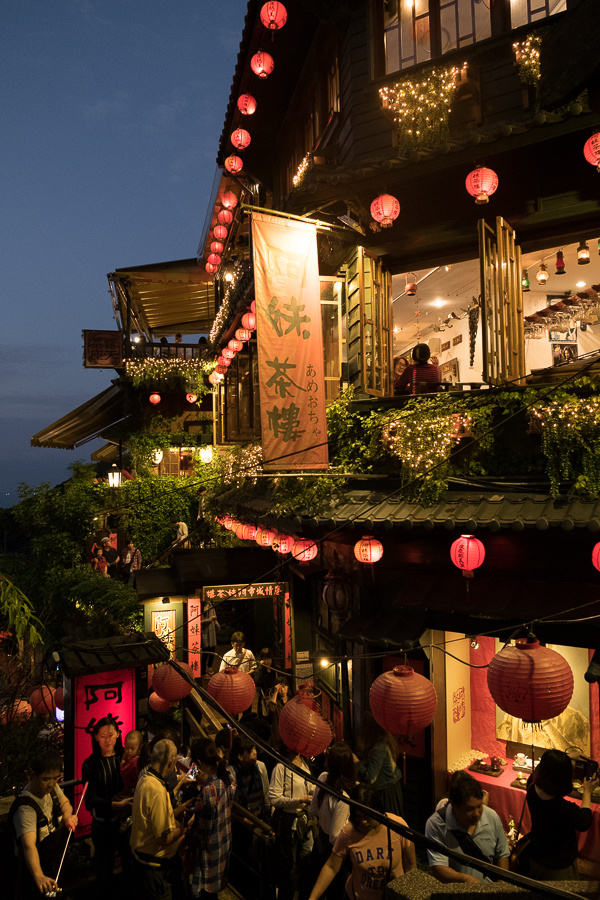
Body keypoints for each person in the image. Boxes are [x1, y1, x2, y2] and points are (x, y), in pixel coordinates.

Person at [308, 783, 416, 900]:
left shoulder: (397, 826)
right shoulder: (349, 833)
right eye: (358, 817)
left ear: (378, 809)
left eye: (366, 816)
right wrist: (313, 898)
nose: (363, 822)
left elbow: (410, 865)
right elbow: (331, 867)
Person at [9, 749, 78, 899]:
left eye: (56, 778)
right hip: (35, 868)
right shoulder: (26, 808)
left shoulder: (53, 788)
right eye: (46, 779)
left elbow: (65, 802)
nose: (51, 784)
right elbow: (29, 845)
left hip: (53, 860)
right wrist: (39, 876)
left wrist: (68, 816)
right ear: (33, 776)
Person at [130, 739, 190, 900]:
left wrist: (182, 808)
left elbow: (156, 817)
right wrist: (183, 828)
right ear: (170, 760)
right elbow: (163, 838)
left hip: (142, 863)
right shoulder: (156, 789)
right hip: (154, 869)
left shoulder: (146, 778)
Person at [425, 770, 510, 883]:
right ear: (454, 805)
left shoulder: (491, 816)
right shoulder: (436, 824)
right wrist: (465, 879)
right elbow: (438, 867)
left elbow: (502, 855)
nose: (477, 813)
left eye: (479, 806)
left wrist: (501, 885)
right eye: (469, 809)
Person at [82, 717, 133, 900]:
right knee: (104, 871)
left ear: (118, 734)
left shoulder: (125, 759)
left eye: (111, 735)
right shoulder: (90, 764)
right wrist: (114, 805)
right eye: (102, 736)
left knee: (129, 866)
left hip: (125, 822)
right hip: (102, 823)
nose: (107, 739)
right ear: (95, 737)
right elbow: (90, 797)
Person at [526, 749, 597, 880]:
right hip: (559, 868)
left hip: (536, 857)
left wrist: (565, 757)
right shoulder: (564, 809)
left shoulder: (531, 789)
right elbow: (585, 822)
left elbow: (540, 769)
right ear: (564, 779)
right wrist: (587, 791)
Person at [188, 737, 236, 899]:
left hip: (210, 849)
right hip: (224, 843)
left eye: (195, 763)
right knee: (214, 892)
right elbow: (191, 776)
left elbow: (204, 831)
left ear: (200, 762)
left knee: (206, 892)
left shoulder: (209, 789)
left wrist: (188, 831)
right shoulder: (226, 777)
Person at [269, 746, 314, 900]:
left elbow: (311, 786)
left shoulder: (305, 762)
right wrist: (300, 800)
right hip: (289, 824)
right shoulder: (281, 766)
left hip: (305, 822)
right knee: (289, 870)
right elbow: (274, 798)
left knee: (307, 864)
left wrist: (313, 792)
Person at [356, 711, 403, 816]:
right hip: (388, 787)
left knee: (388, 822)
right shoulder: (381, 741)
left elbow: (371, 778)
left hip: (386, 792)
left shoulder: (379, 747)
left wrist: (357, 763)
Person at [228, 735, 271, 823]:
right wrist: (243, 820)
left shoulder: (260, 767)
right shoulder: (231, 772)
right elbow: (230, 801)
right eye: (251, 751)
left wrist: (268, 811)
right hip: (240, 821)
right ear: (240, 757)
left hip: (259, 817)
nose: (255, 752)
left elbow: (266, 793)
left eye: (254, 749)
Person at [267, 675, 292, 752]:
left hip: (290, 736)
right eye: (280, 688)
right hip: (278, 737)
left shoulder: (292, 702)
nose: (283, 690)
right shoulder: (275, 702)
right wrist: (275, 692)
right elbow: (271, 710)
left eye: (284, 687)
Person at [253, 648, 277, 717]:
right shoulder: (260, 670)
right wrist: (260, 667)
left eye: (269, 658)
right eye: (265, 659)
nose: (268, 661)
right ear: (262, 660)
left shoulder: (275, 669)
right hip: (264, 699)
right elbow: (257, 682)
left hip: (274, 697)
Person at [120, 730, 143, 797]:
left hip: (130, 791)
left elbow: (122, 772)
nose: (129, 751)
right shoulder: (138, 758)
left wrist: (123, 759)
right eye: (127, 748)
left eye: (132, 749)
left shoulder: (133, 761)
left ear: (139, 748)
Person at [200, 599, 219, 676]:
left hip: (211, 630)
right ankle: (203, 670)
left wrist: (214, 620)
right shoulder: (200, 605)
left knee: (212, 650)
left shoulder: (211, 604)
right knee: (205, 651)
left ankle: (210, 666)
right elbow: (197, 621)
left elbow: (215, 616)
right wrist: (206, 620)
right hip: (204, 631)